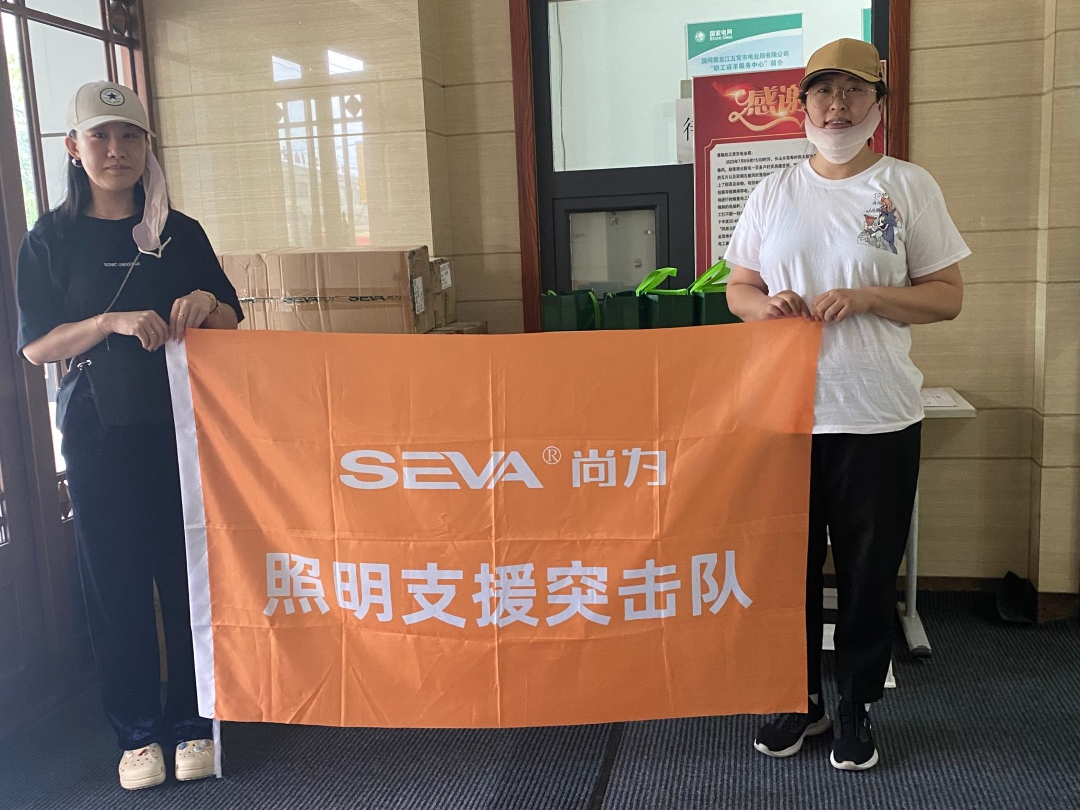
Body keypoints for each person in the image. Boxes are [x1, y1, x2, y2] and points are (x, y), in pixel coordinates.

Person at [725, 39, 968, 771]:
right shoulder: (774, 192)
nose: (838, 105)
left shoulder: (907, 186)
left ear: (878, 106)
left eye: (855, 91)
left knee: (867, 570)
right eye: (824, 91)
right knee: (785, 569)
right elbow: (738, 287)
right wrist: (764, 308)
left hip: (876, 414)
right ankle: (797, 698)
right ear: (802, 106)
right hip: (785, 415)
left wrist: (868, 298)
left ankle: (857, 702)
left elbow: (947, 297)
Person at [16, 81, 242, 790]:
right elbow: (36, 346)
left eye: (130, 137)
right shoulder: (50, 239)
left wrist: (205, 300)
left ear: (148, 146)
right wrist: (107, 322)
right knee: (114, 582)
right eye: (101, 136)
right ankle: (137, 733)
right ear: (73, 147)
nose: (116, 151)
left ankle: (194, 720)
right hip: (97, 433)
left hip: (184, 429)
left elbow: (232, 318)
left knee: (188, 575)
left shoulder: (182, 232)